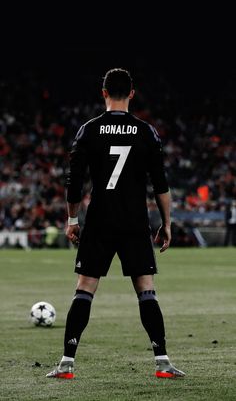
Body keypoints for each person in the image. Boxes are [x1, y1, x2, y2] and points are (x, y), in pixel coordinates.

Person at [46, 68, 185, 380]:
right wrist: (167, 224)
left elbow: (74, 183)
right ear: (132, 94)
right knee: (146, 290)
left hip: (99, 219)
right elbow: (160, 186)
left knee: (84, 289)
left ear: (104, 93)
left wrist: (71, 219)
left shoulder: (89, 130)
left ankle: (67, 363)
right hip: (134, 220)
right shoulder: (146, 132)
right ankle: (162, 362)